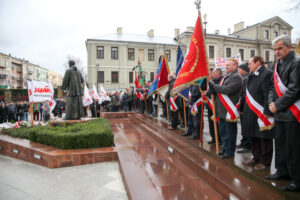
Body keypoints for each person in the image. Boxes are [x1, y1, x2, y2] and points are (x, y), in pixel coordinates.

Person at [266, 35, 300, 192]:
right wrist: (272, 104)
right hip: (279, 112)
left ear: (289, 47)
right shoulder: (277, 64)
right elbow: (272, 87)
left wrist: (277, 105)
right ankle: (282, 171)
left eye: (280, 48)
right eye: (275, 49)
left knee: (293, 147)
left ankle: (296, 179)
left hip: (292, 113)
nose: (277, 52)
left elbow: (295, 89)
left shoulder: (296, 63)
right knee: (280, 143)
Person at [241, 56, 274, 171]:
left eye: (250, 64)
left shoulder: (267, 73)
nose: (248, 66)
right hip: (251, 110)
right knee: (253, 135)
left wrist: (267, 111)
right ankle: (256, 156)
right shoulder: (251, 75)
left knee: (264, 137)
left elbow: (267, 93)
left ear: (258, 62)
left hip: (261, 111)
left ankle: (265, 161)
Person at [209, 59, 242, 159]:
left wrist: (214, 86)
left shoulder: (236, 77)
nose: (226, 67)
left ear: (235, 66)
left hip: (229, 109)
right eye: (226, 65)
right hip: (222, 109)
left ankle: (229, 151)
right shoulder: (226, 77)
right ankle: (224, 149)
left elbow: (227, 90)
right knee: (223, 132)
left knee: (230, 132)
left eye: (228, 65)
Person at [204, 68, 222, 145]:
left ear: (218, 73)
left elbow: (213, 91)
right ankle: (214, 138)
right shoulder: (211, 81)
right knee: (211, 123)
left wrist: (208, 92)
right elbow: (204, 89)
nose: (212, 75)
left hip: (217, 105)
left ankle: (219, 140)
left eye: (213, 73)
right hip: (210, 105)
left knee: (217, 124)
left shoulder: (221, 81)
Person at [237, 63, 251, 153]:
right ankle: (244, 142)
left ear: (244, 70)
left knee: (246, 127)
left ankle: (247, 144)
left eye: (240, 69)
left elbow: (243, 95)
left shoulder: (246, 79)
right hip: (245, 106)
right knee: (244, 127)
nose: (238, 71)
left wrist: (241, 108)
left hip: (245, 107)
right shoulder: (244, 78)